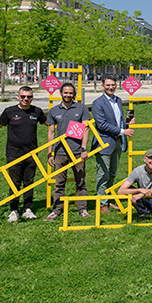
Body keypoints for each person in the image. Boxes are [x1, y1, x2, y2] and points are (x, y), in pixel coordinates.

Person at [0, 86, 48, 222]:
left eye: (29, 96)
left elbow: (49, 124)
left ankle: (27, 209)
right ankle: (14, 210)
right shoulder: (9, 111)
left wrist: (68, 123)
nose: (26, 99)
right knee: (14, 183)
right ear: (18, 97)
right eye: (23, 96)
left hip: (32, 154)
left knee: (29, 182)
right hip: (14, 154)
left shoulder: (37, 111)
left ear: (32, 97)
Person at [44, 83, 91, 221]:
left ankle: (83, 209)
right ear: (61, 93)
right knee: (59, 183)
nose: (68, 95)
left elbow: (86, 129)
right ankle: (56, 210)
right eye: (65, 93)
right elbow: (51, 132)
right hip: (60, 152)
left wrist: (83, 149)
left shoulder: (81, 108)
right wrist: (50, 153)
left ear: (74, 94)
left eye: (70, 93)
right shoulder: (54, 111)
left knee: (80, 182)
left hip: (77, 151)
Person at [91, 76, 134, 214]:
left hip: (117, 142)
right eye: (108, 85)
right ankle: (102, 203)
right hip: (104, 143)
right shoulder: (97, 103)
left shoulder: (118, 100)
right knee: (103, 174)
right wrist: (123, 131)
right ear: (102, 86)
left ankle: (108, 199)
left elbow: (117, 121)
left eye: (113, 85)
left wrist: (127, 124)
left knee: (112, 173)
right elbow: (101, 124)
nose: (111, 87)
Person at [117, 149, 152, 221]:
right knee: (130, 190)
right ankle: (143, 212)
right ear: (145, 159)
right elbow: (120, 191)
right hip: (144, 200)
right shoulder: (137, 171)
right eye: (151, 158)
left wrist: (142, 194)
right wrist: (139, 190)